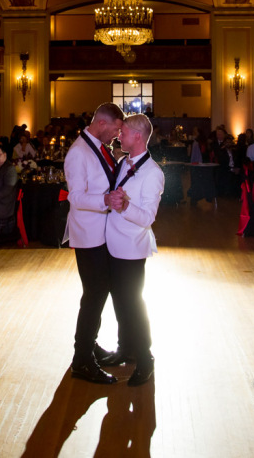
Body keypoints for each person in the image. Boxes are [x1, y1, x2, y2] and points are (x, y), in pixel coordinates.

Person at [98, 113, 164, 386]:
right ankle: (125, 348)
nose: (119, 135)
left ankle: (145, 358)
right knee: (119, 300)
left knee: (133, 303)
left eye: (123, 132)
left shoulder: (153, 173)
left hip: (132, 245)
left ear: (137, 136)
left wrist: (125, 206)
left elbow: (148, 217)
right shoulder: (124, 163)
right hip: (112, 241)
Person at [64, 102, 125, 384]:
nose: (116, 135)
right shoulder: (78, 153)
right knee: (94, 294)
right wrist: (104, 200)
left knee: (98, 292)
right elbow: (74, 197)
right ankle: (81, 359)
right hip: (87, 235)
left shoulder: (96, 148)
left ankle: (89, 346)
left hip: (101, 232)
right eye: (115, 129)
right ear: (101, 123)